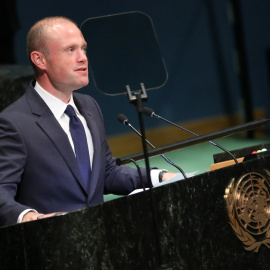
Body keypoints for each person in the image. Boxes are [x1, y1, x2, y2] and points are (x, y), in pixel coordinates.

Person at [0, 17, 176, 226]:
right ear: (40, 60)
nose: (83, 57)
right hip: (50, 245)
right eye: (70, 50)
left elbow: (107, 173)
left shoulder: (89, 106)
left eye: (83, 49)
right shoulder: (14, 123)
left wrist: (161, 176)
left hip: (98, 241)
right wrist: (29, 217)